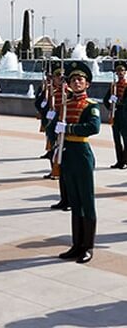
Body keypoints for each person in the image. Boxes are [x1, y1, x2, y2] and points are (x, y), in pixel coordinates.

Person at [49, 60, 101, 263]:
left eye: (80, 80)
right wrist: (55, 131)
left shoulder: (91, 106)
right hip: (67, 154)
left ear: (87, 83)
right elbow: (53, 127)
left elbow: (93, 127)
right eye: (73, 80)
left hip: (81, 154)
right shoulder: (65, 105)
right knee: (74, 201)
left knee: (86, 201)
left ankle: (88, 246)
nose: (77, 82)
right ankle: (76, 244)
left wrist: (69, 128)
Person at [103, 60, 127, 169]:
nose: (120, 73)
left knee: (126, 139)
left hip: (125, 114)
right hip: (115, 114)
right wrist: (111, 106)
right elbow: (105, 99)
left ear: (125, 72)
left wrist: (119, 101)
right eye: (118, 71)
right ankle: (119, 161)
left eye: (122, 71)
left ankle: (125, 161)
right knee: (117, 139)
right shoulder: (113, 86)